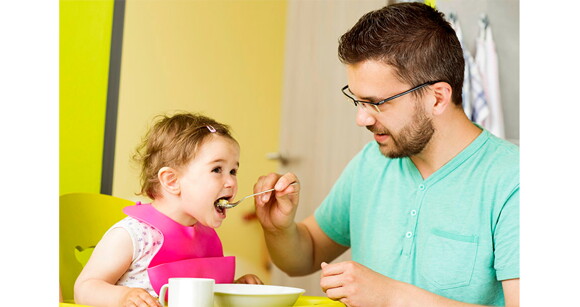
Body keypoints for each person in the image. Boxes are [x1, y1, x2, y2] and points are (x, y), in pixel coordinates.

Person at [254, 3, 519, 307]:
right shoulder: (372, 162)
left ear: (437, 98)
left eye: (376, 103)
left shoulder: (513, 181)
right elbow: (307, 254)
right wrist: (278, 228)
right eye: (358, 101)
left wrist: (391, 296)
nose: (362, 119)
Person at [75, 112, 262, 307]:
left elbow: (200, 296)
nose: (232, 182)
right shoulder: (133, 235)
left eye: (233, 171)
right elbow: (84, 288)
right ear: (172, 181)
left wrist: (234, 289)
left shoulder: (208, 237)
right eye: (217, 170)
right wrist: (122, 297)